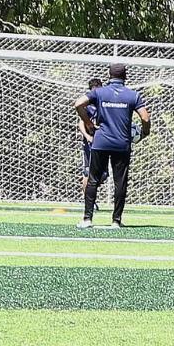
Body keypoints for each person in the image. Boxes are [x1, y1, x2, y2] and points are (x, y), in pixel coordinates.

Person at [72, 64, 150, 229]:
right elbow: (145, 118)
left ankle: (87, 219)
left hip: (100, 142)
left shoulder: (99, 92)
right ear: (125, 76)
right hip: (121, 144)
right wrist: (145, 132)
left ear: (109, 76)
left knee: (93, 180)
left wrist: (88, 123)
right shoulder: (132, 95)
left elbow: (78, 103)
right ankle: (116, 221)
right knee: (120, 183)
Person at [78, 76, 105, 200]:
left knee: (103, 175)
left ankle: (90, 195)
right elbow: (81, 123)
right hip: (90, 144)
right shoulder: (88, 107)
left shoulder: (104, 104)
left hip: (104, 143)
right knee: (88, 172)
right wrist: (88, 137)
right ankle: (87, 201)